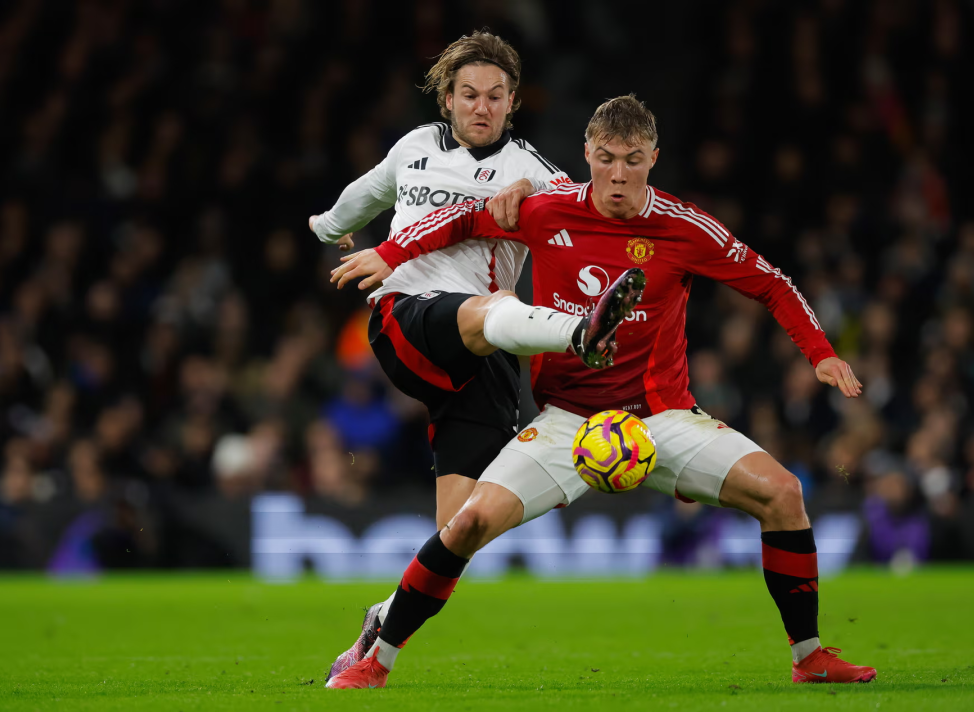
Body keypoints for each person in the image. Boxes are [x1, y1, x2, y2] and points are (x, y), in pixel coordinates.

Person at [327, 95, 876, 688]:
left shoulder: (684, 227)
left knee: (783, 493)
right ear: (587, 153)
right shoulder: (545, 209)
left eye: (633, 161)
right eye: (607, 158)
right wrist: (390, 252)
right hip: (567, 420)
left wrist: (821, 355)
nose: (618, 174)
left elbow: (773, 283)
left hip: (663, 418)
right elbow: (461, 219)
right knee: (464, 525)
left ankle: (811, 657)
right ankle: (375, 660)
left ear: (654, 158)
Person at [309, 33, 639, 684]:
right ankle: (580, 333)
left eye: (494, 96)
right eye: (468, 95)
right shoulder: (414, 149)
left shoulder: (535, 173)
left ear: (513, 102)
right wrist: (326, 226)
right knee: (482, 309)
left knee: (459, 533)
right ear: (448, 98)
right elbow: (363, 195)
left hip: (487, 358)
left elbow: (587, 232)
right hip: (408, 314)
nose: (480, 107)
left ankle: (379, 639)